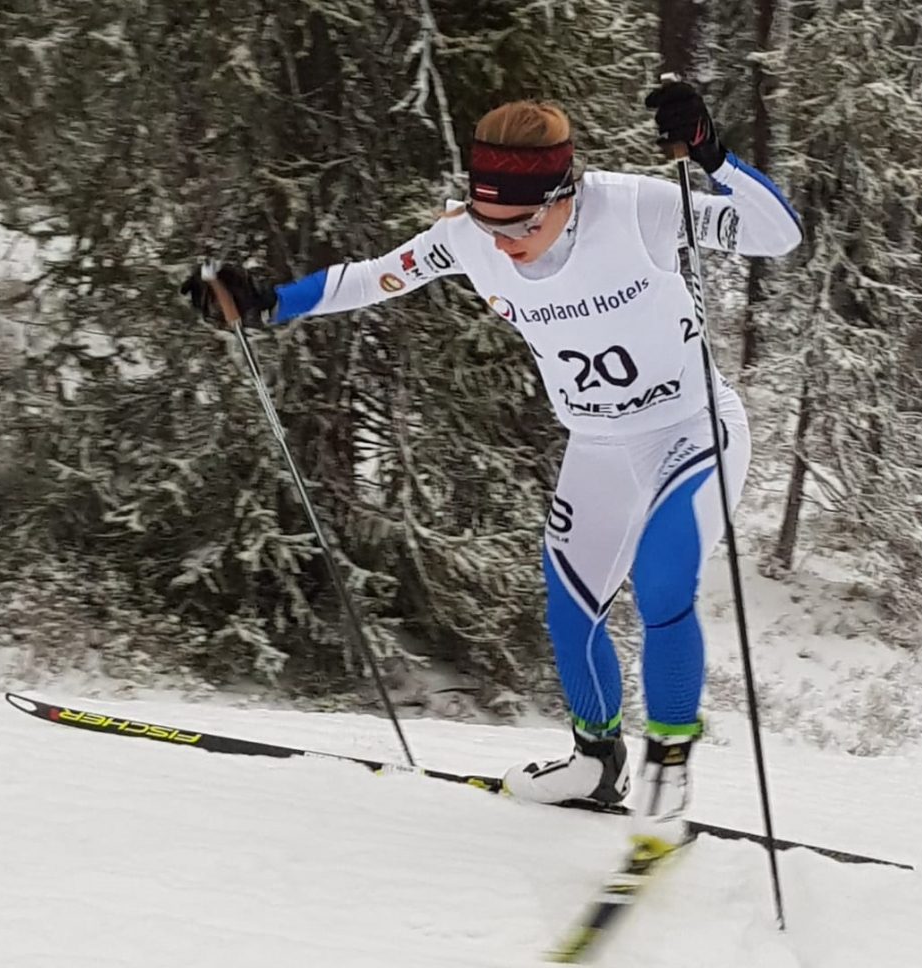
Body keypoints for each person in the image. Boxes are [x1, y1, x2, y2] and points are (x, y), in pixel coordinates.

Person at [183, 80, 801, 843]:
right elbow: (374, 274)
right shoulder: (471, 233)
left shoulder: (636, 205)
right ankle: (594, 762)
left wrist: (713, 154)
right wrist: (270, 301)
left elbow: (778, 235)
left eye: (521, 225)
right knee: (569, 606)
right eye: (489, 222)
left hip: (690, 430)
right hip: (598, 443)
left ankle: (669, 755)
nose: (503, 244)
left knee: (663, 576)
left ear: (565, 193)